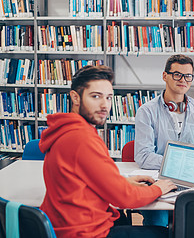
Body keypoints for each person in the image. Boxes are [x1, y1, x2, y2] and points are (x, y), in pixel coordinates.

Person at [39, 65, 177, 238]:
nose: (105, 105)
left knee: (125, 221)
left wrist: (122, 182)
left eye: (109, 97)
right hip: (86, 232)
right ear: (75, 97)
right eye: (96, 96)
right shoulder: (81, 138)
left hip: (68, 224)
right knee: (169, 234)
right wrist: (158, 188)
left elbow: (88, 180)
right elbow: (125, 199)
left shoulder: (66, 130)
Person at [134, 54, 194, 227]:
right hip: (158, 183)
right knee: (158, 222)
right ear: (165, 76)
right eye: (177, 74)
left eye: (188, 76)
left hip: (192, 183)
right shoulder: (146, 112)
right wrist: (183, 165)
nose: (183, 80)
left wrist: (184, 167)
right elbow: (143, 156)